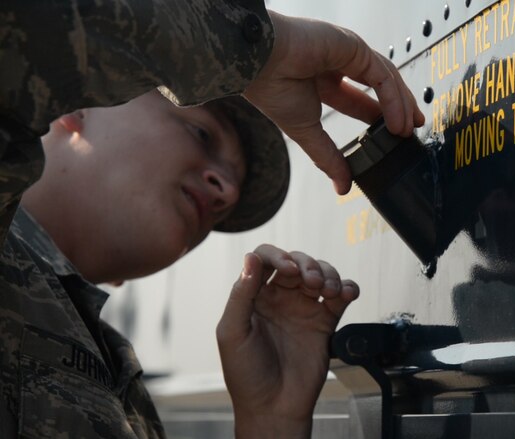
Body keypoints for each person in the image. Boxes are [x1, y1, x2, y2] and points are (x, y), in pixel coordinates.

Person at [0, 2, 424, 438]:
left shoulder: (115, 379)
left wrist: (270, 422)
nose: (228, 193)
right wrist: (263, 46)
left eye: (230, 200)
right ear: (77, 103)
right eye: (200, 133)